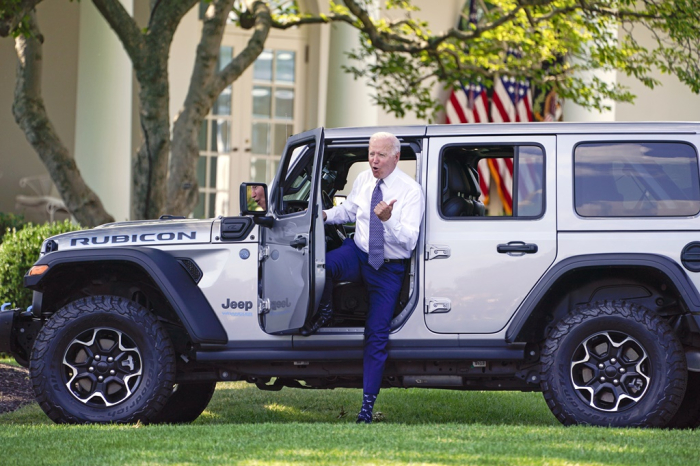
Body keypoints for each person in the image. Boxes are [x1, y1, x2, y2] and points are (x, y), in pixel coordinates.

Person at [300, 131, 424, 423]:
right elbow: (349, 210)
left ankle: (367, 407)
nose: (374, 160)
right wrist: (325, 216)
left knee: (376, 334)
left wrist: (388, 219)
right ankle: (325, 312)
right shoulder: (365, 180)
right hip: (358, 252)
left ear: (396, 157)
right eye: (371, 154)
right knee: (321, 266)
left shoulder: (411, 191)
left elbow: (409, 242)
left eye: (380, 155)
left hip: (388, 268)